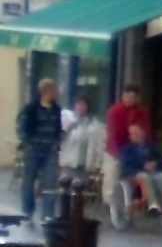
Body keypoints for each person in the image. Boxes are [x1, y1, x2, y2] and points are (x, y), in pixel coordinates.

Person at [114, 124, 162, 229]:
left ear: (142, 134)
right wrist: (143, 165)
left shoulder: (151, 147)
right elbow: (125, 165)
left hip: (153, 173)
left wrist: (155, 164)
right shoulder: (127, 149)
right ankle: (153, 204)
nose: (134, 136)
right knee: (145, 177)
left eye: (137, 133)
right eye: (132, 134)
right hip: (135, 174)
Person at [103, 88, 153, 232]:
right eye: (128, 96)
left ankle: (134, 204)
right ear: (123, 97)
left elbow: (146, 133)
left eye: (133, 97)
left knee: (138, 178)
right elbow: (113, 135)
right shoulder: (115, 111)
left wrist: (147, 152)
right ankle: (114, 208)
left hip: (134, 150)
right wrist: (118, 154)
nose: (130, 99)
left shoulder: (142, 112)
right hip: (116, 150)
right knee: (112, 178)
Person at [14, 79, 64, 223]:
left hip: (50, 151)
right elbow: (21, 126)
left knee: (50, 183)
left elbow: (58, 129)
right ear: (46, 91)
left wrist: (57, 141)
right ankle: (27, 210)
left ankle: (48, 214)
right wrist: (27, 143)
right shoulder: (31, 108)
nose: (56, 93)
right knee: (29, 181)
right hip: (33, 150)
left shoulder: (56, 109)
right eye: (54, 90)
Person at [57, 96, 105, 194]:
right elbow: (58, 139)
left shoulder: (93, 125)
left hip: (83, 164)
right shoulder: (66, 120)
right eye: (78, 104)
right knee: (65, 189)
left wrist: (97, 164)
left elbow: (98, 146)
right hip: (68, 163)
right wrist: (67, 129)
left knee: (79, 190)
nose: (80, 107)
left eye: (83, 105)